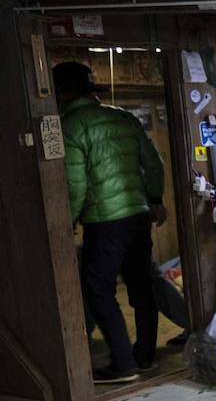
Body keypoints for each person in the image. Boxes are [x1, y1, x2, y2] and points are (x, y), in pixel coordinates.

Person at [55, 61, 166, 384]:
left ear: (61, 93)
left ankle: (123, 363)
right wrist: (155, 200)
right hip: (138, 214)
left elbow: (75, 184)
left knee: (98, 289)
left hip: (104, 221)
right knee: (141, 285)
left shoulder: (71, 126)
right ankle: (144, 356)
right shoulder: (124, 118)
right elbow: (154, 165)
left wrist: (68, 220)